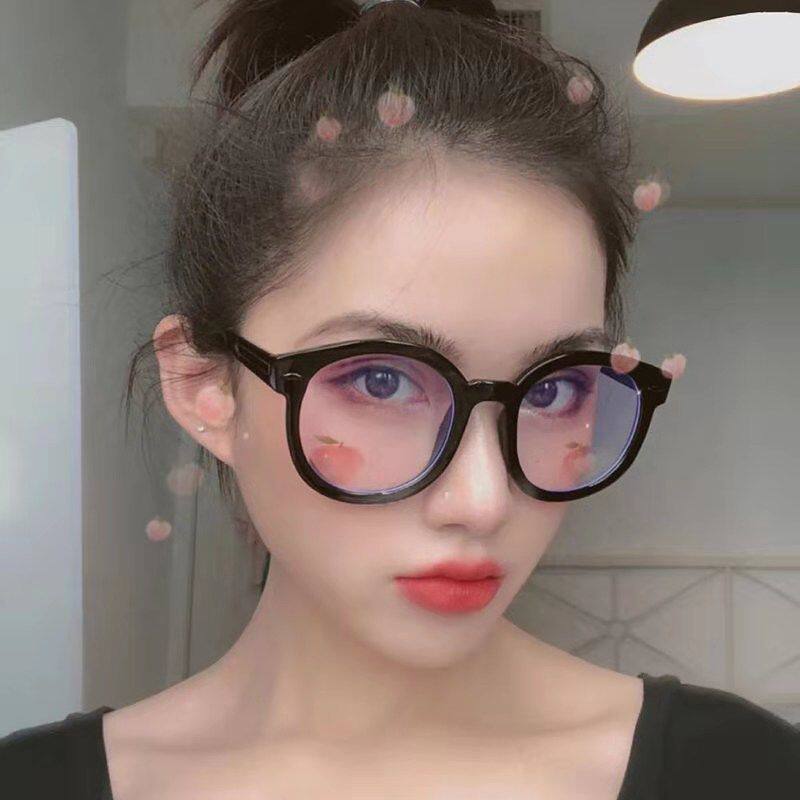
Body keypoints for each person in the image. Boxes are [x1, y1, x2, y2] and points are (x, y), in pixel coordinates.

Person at [2, 1, 798, 798]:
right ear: (205, 385)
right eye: (379, 381)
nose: (484, 501)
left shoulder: (744, 773)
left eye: (556, 389)